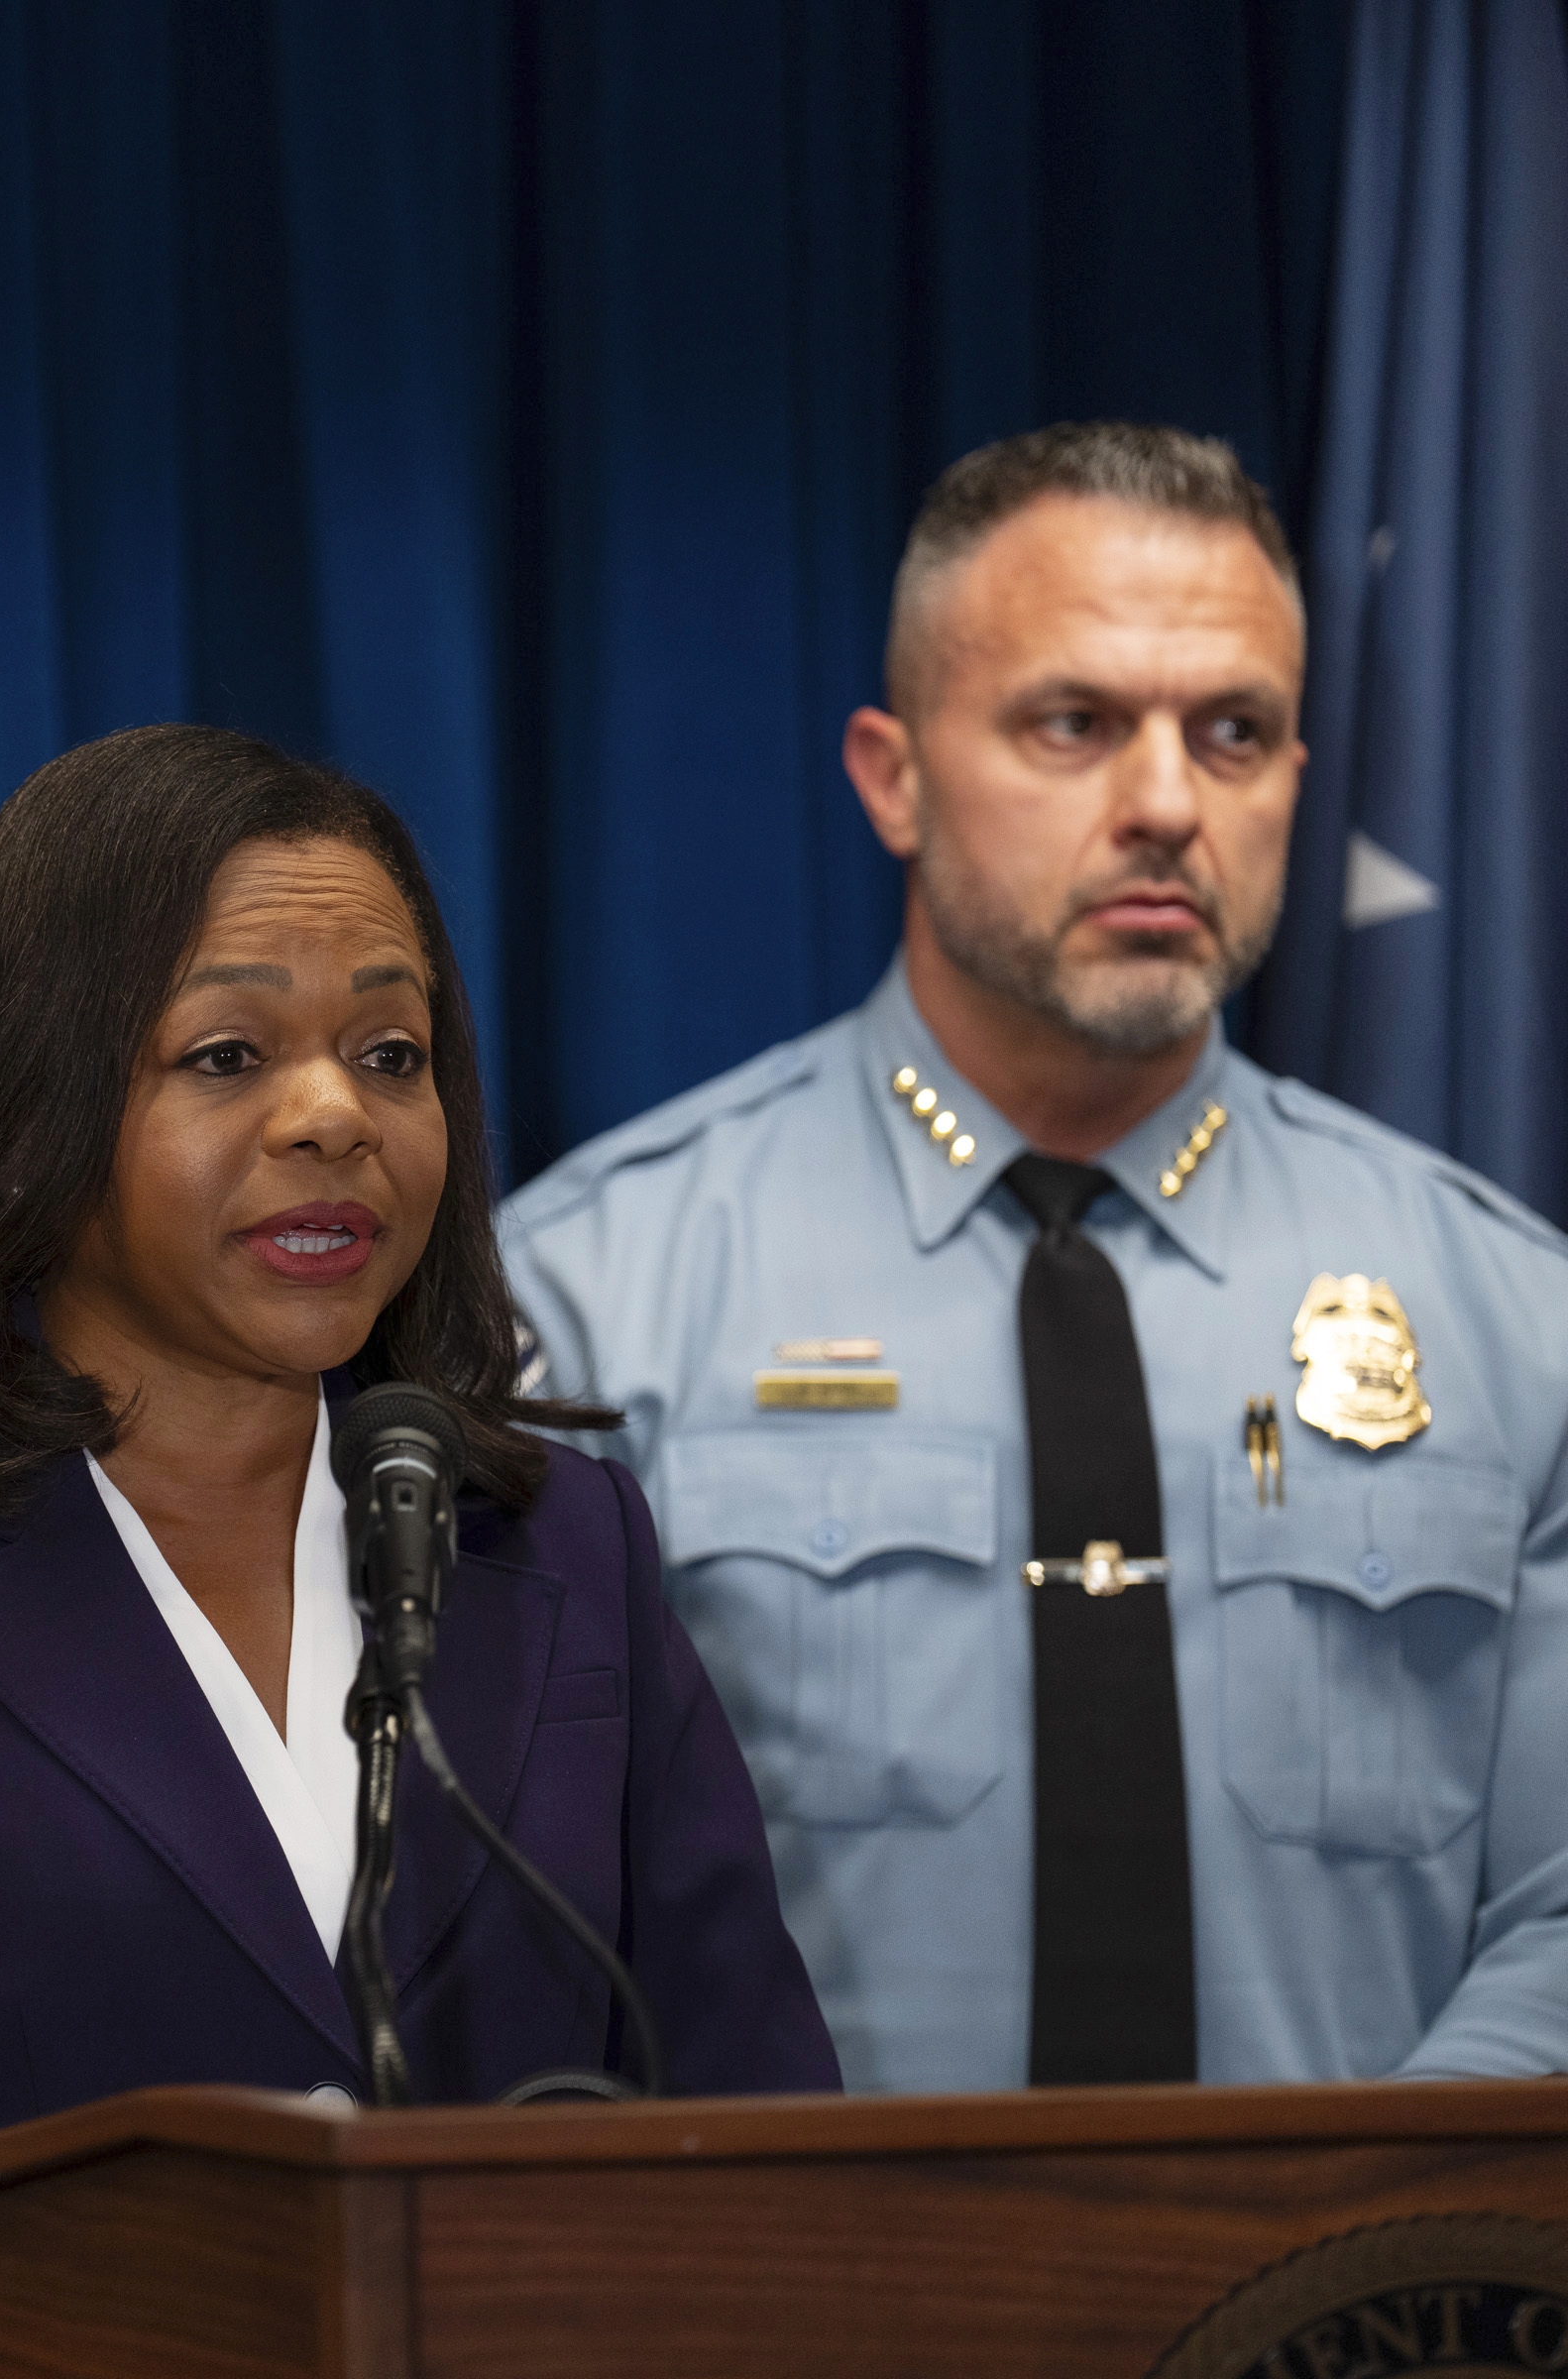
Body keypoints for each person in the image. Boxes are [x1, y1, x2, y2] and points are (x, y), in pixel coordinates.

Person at [0, 724, 837, 2377]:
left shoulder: (563, 1550)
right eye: (227, 1056)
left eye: (392, 1053)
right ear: (32, 1109)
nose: (335, 1116)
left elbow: (777, 2168)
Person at [499, 423, 1568, 2096]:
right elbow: (512, 1940)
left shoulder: (1520, 1324)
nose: (1163, 804)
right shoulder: (584, 1303)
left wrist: (1345, 2269)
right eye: (1074, 724)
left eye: (1235, 732)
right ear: (893, 775)